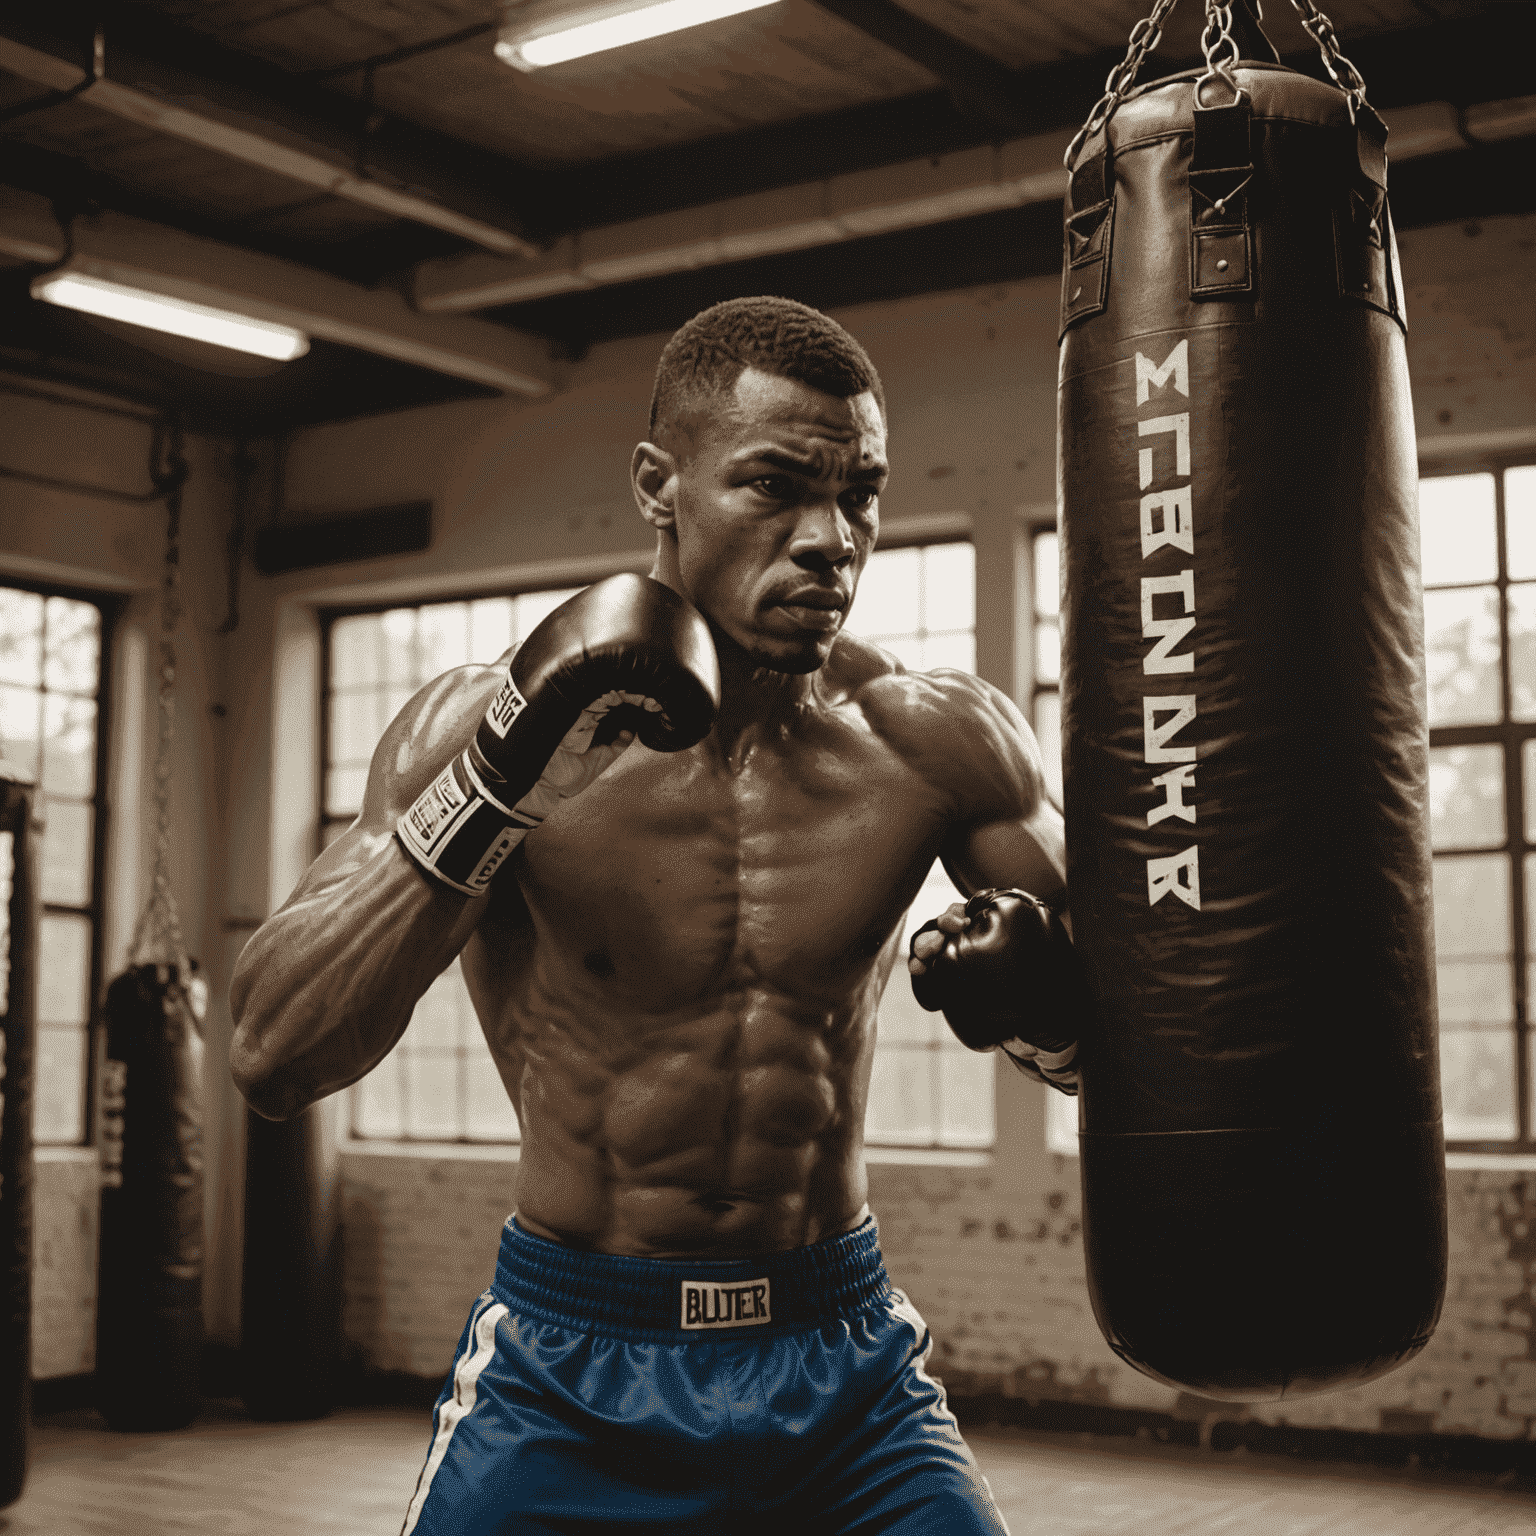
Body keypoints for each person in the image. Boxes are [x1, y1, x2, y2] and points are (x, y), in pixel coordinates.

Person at [230, 295, 1082, 1535]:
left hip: (843, 1370)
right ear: (658, 484)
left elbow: (1160, 1054)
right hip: (573, 1369)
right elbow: (269, 1048)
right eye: (776, 486)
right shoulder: (488, 730)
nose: (829, 538)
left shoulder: (931, 743)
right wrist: (499, 782)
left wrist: (1051, 1019)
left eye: (860, 494)